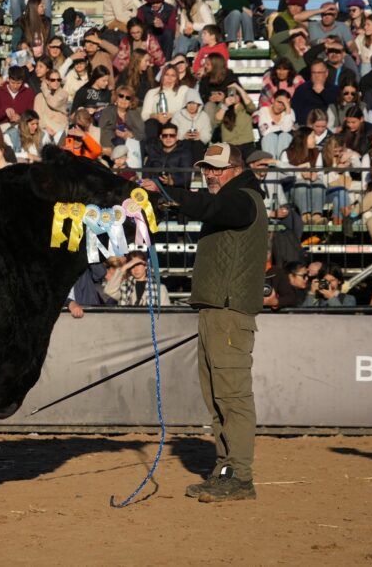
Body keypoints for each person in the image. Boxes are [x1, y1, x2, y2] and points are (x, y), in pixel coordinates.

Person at [140, 143, 267, 503]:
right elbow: (207, 206)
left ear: (237, 169)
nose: (209, 173)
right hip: (215, 310)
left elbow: (210, 206)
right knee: (216, 398)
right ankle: (226, 470)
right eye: (206, 168)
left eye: (216, 168)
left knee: (233, 397)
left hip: (229, 313)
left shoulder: (242, 199)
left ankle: (240, 476)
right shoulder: (230, 200)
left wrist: (167, 191)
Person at [280, 126, 327, 224]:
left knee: (318, 184)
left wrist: (315, 175)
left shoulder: (317, 153)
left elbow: (320, 173)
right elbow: (284, 176)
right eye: (313, 137)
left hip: (312, 186)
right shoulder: (287, 153)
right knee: (301, 184)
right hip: (291, 189)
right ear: (304, 139)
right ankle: (305, 216)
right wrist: (300, 175)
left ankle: (316, 216)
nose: (316, 139)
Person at [101, 250, 171, 306]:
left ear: (146, 266)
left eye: (138, 265)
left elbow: (165, 315)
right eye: (132, 266)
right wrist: (124, 268)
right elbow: (109, 291)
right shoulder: (124, 286)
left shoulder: (160, 288)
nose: (135, 269)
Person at [140, 63, 189, 139]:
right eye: (166, 75)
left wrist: (173, 116)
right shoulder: (152, 92)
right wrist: (155, 116)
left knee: (173, 122)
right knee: (151, 123)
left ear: (177, 78)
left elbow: (189, 110)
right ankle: (153, 148)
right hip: (156, 124)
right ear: (162, 76)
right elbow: (144, 114)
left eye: (173, 75)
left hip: (175, 123)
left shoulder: (183, 90)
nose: (169, 78)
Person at [291, 60, 339, 131]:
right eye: (314, 73)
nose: (316, 76)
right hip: (304, 129)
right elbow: (294, 110)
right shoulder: (302, 89)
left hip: (326, 129)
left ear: (326, 73)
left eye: (320, 72)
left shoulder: (334, 89)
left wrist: (323, 92)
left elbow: (335, 105)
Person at [143, 122, 193, 189]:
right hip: (154, 189)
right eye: (165, 135)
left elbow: (186, 179)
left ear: (177, 137)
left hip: (176, 191)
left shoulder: (185, 152)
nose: (168, 138)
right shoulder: (154, 150)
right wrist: (147, 180)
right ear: (161, 137)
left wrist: (172, 181)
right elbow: (146, 171)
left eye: (172, 135)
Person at [0, 65, 36, 130]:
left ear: (22, 81)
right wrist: (4, 111)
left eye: (18, 83)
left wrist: (21, 118)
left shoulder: (29, 93)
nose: (15, 86)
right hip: (0, 128)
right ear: (8, 79)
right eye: (12, 83)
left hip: (21, 128)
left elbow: (32, 116)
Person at [172, 87, 212, 162]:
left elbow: (208, 134)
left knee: (197, 144)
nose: (191, 106)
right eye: (189, 103)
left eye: (194, 103)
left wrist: (200, 136)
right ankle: (186, 170)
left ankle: (197, 170)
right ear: (185, 104)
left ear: (198, 104)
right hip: (182, 143)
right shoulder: (178, 115)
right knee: (186, 144)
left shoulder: (204, 116)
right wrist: (183, 136)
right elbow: (172, 132)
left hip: (200, 144)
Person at [255, 89, 296, 157]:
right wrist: (280, 127)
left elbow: (286, 129)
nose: (280, 106)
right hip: (268, 141)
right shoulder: (264, 110)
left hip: (284, 141)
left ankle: (283, 164)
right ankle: (271, 165)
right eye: (279, 102)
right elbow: (265, 132)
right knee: (270, 137)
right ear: (273, 100)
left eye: (284, 104)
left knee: (284, 136)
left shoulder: (289, 111)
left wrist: (288, 108)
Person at [34, 69, 69, 143]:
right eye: (53, 80)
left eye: (58, 80)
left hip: (60, 128)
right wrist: (45, 127)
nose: (56, 82)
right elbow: (37, 115)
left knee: (59, 135)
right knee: (44, 136)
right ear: (47, 81)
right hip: (45, 129)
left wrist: (44, 88)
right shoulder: (39, 97)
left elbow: (53, 103)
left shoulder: (64, 94)